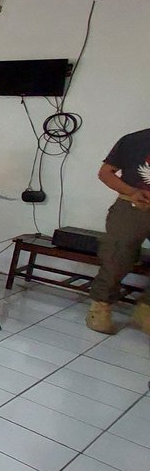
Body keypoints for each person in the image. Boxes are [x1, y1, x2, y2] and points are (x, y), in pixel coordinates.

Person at [87, 127, 150, 335]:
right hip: (131, 207)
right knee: (117, 258)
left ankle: (146, 311)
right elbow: (105, 173)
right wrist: (132, 191)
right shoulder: (134, 140)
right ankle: (99, 309)